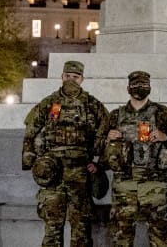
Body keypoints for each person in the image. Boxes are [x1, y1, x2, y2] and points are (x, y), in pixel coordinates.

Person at [22, 60, 111, 247]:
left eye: (75, 77)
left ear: (82, 79)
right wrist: (31, 159)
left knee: (81, 228)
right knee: (52, 225)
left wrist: (99, 164)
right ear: (62, 77)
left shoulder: (93, 105)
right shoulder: (49, 103)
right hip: (53, 173)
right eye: (68, 76)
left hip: (80, 174)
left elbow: (108, 135)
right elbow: (31, 129)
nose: (71, 80)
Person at [101, 71, 167, 247]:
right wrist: (108, 138)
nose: (139, 89)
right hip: (124, 185)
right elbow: (97, 146)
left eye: (143, 85)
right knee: (121, 235)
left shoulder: (162, 113)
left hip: (154, 184)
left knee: (159, 234)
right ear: (128, 88)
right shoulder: (115, 115)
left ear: (149, 88)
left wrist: (165, 136)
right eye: (135, 85)